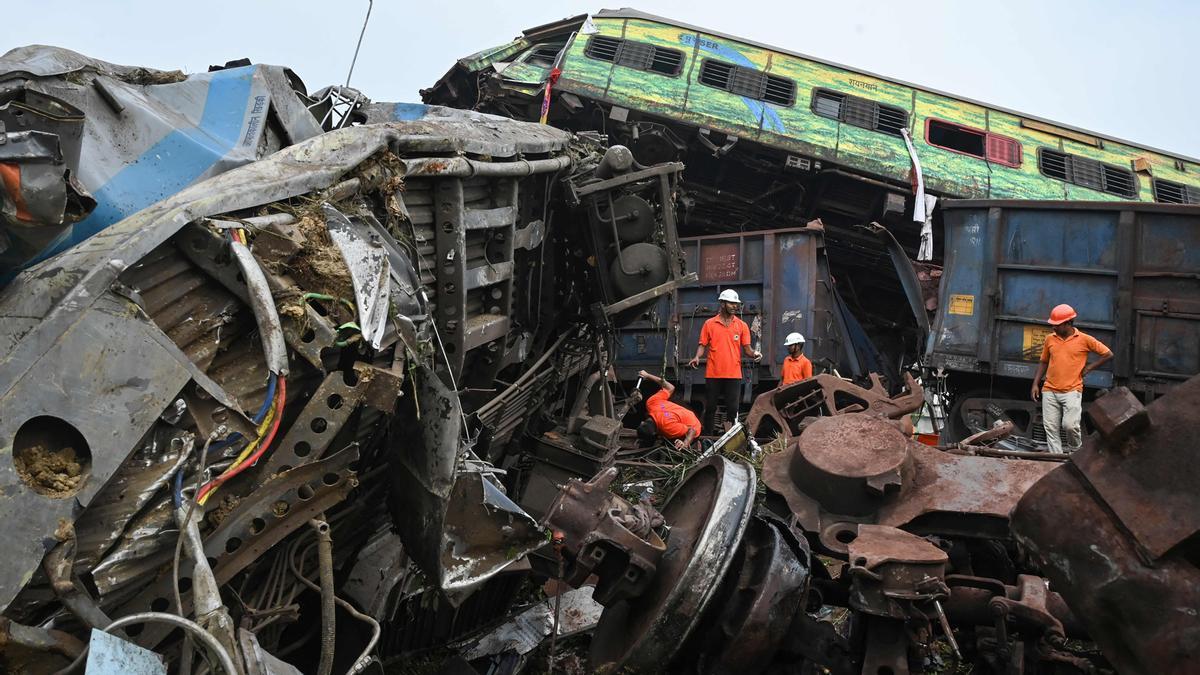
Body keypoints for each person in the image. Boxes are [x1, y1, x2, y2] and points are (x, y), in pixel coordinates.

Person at [1030, 303, 1113, 453]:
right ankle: (1056, 461)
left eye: (1057, 324)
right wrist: (1035, 384)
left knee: (1070, 425)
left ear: (1068, 323)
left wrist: (1089, 367)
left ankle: (1076, 453)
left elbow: (1108, 354)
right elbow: (1043, 362)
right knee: (1051, 428)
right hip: (1049, 390)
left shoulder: (1084, 339)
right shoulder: (1050, 339)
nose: (1053, 327)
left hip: (1072, 390)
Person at [687, 289, 761, 434]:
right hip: (713, 373)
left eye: (736, 304)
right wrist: (697, 357)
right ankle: (708, 438)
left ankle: (730, 440)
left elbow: (747, 349)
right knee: (710, 408)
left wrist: (755, 354)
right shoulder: (709, 324)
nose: (735, 306)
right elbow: (702, 344)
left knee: (733, 409)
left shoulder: (741, 326)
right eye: (731, 303)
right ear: (722, 304)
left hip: (733, 374)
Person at [632, 369, 702, 450]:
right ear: (643, 422)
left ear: (656, 433)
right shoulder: (651, 403)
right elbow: (670, 387)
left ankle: (695, 445)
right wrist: (647, 375)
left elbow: (692, 430)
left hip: (694, 427)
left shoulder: (668, 428)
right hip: (682, 416)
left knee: (670, 448)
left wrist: (685, 443)